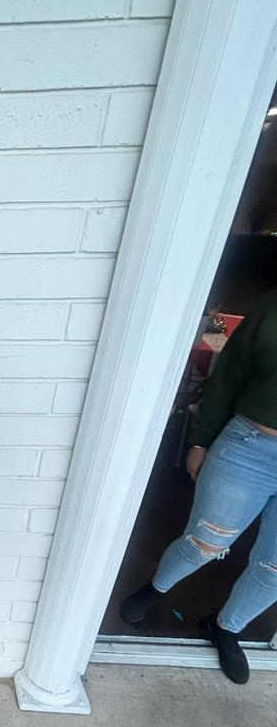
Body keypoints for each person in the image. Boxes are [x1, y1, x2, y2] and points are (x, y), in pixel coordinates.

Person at [121, 289, 277, 683]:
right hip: (250, 447)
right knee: (204, 543)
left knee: (276, 569)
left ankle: (225, 628)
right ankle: (155, 589)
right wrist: (201, 439)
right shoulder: (273, 306)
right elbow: (229, 375)